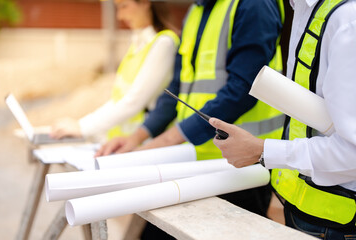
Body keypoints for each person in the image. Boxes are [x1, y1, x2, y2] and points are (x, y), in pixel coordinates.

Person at [97, 0, 284, 218]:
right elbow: (177, 87)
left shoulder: (254, 5)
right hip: (194, 155)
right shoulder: (195, 11)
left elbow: (242, 89)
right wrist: (138, 136)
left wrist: (165, 141)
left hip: (241, 163)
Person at [209, 0, 356, 239]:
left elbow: (353, 151)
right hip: (301, 208)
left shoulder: (348, 19)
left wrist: (261, 150)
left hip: (340, 222)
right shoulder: (303, 8)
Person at [50, 0, 179, 142]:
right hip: (125, 142)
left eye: (124, 6)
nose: (119, 16)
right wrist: (81, 125)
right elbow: (119, 99)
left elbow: (134, 101)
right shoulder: (140, 43)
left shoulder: (164, 43)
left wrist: (82, 126)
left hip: (145, 142)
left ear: (145, 3)